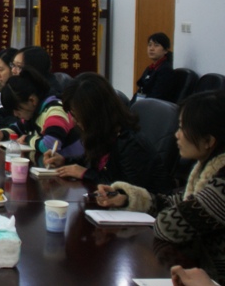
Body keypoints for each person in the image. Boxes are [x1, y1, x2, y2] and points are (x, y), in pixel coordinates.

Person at [96, 90, 225, 282]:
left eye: (182, 128)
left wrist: (169, 212)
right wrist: (127, 198)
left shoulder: (221, 185)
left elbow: (168, 226)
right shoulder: (206, 169)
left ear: (208, 141)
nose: (176, 135)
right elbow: (175, 202)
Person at [43, 72, 173, 193]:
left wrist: (85, 173)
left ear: (95, 114)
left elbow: (127, 192)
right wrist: (64, 161)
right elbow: (92, 162)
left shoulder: (130, 143)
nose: (74, 121)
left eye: (77, 116)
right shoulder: (103, 134)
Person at [0, 66, 84, 157]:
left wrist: (27, 139)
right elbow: (18, 128)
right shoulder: (33, 112)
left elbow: (50, 145)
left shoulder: (55, 111)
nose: (15, 114)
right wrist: (2, 134)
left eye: (17, 109)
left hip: (70, 163)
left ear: (32, 100)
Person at [132, 32, 174, 103]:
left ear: (165, 50)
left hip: (154, 105)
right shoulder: (150, 68)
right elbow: (141, 90)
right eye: (149, 45)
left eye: (156, 45)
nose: (151, 49)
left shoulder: (165, 70)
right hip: (143, 102)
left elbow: (157, 95)